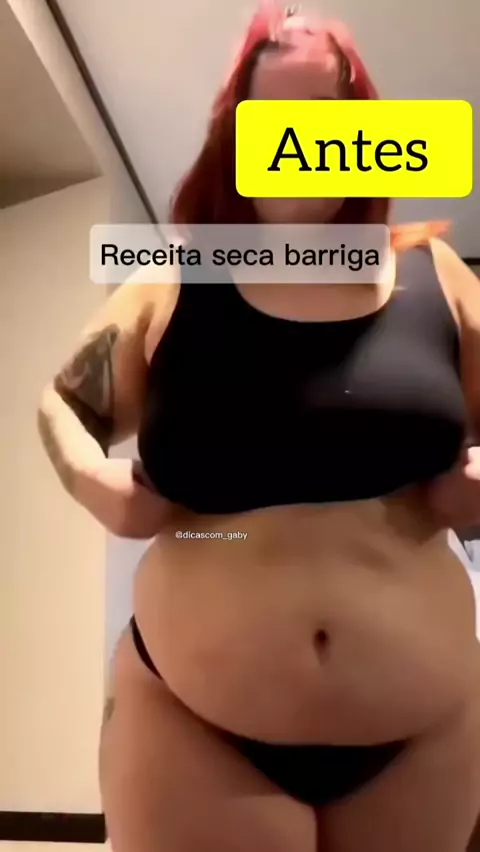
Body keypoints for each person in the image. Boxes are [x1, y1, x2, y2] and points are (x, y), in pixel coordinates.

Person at [37, 8, 480, 852]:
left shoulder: (436, 275)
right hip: (197, 729)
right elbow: (61, 402)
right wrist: (96, 485)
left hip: (424, 735)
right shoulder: (175, 281)